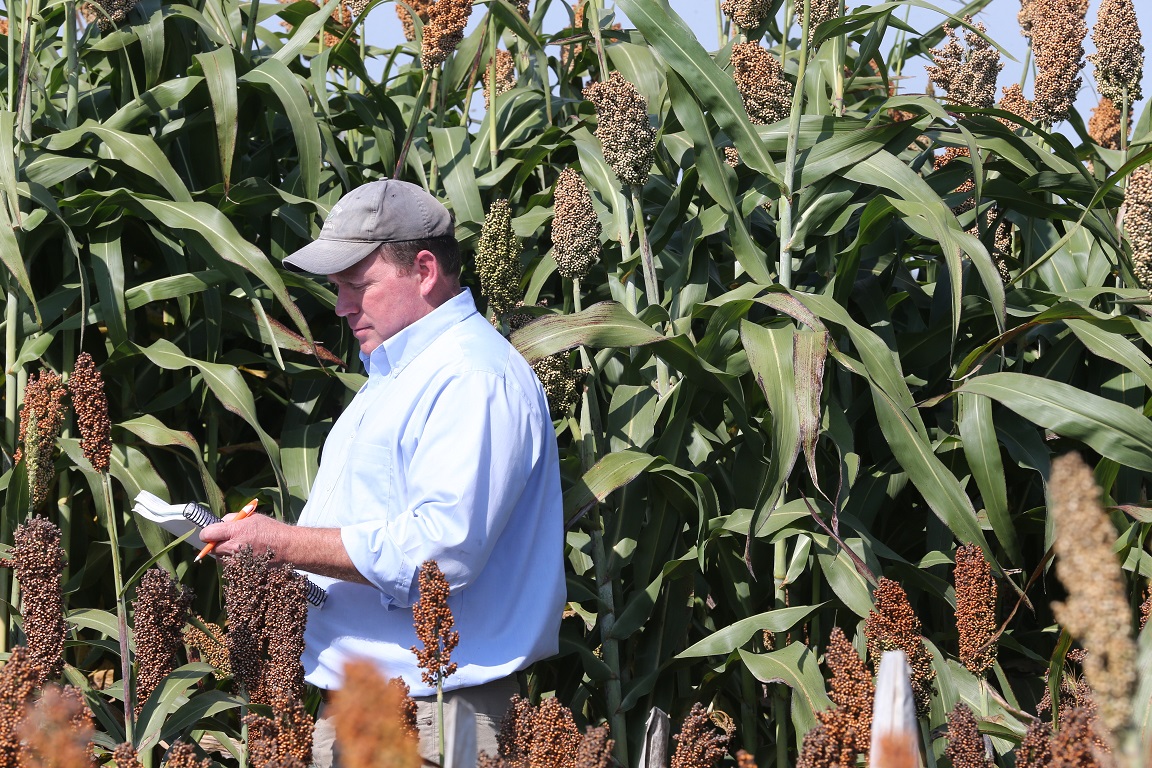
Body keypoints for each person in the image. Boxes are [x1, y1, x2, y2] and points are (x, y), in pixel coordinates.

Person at [200, 179, 566, 765]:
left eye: (356, 286)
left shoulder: (472, 378)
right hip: (374, 703)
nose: (341, 306)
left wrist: (282, 543)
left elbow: (440, 552)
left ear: (423, 270)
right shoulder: (399, 372)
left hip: (437, 710)